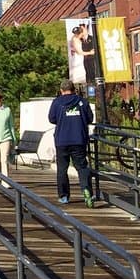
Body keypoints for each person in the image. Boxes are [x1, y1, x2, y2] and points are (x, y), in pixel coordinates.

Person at [48, 79, 95, 207]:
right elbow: (90, 118)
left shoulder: (57, 103)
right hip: (79, 139)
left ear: (61, 90)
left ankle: (64, 196)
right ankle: (87, 190)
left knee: (62, 168)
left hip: (62, 140)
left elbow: (51, 119)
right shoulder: (82, 102)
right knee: (82, 167)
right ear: (74, 89)